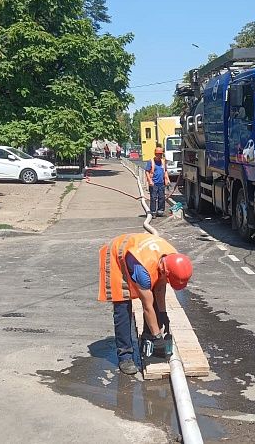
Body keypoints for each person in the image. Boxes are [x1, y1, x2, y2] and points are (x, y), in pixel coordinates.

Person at [98, 233, 193, 375]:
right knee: (123, 306)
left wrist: (163, 315)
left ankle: (147, 341)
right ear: (165, 270)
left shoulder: (172, 258)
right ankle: (125, 356)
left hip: (139, 254)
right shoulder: (144, 272)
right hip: (117, 254)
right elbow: (147, 306)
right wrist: (157, 335)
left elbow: (160, 289)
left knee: (155, 300)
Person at [145, 147, 170, 217]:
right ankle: (153, 212)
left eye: (161, 154)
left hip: (161, 183)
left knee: (162, 197)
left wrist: (167, 180)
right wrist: (150, 181)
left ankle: (160, 211)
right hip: (154, 183)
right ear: (155, 154)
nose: (160, 155)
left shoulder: (162, 161)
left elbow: (165, 171)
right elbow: (147, 171)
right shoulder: (151, 162)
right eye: (158, 154)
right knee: (153, 198)